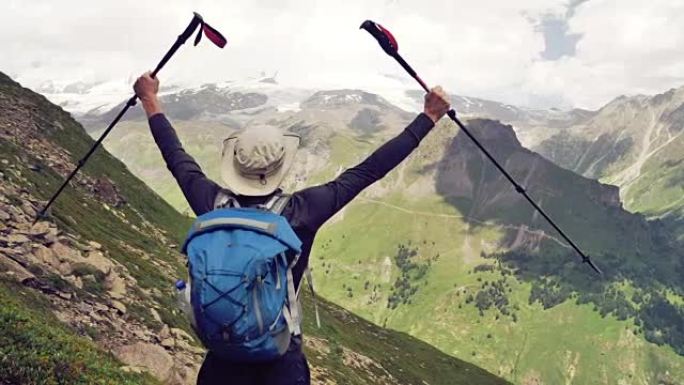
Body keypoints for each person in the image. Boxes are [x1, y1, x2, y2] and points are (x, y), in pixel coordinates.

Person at [134, 71, 450, 385]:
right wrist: (428, 117)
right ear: (280, 167)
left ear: (236, 164)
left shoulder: (211, 203)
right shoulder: (303, 211)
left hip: (223, 355)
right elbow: (369, 170)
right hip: (280, 359)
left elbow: (175, 157)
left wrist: (150, 99)